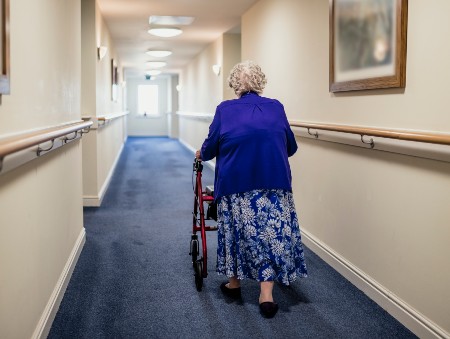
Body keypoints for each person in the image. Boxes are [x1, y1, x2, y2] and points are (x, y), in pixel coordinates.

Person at [195, 60, 307, 318]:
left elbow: (211, 148)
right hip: (274, 182)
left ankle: (234, 284)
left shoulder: (225, 109)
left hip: (236, 183)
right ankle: (266, 295)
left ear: (235, 84)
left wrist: (203, 153)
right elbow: (291, 147)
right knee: (270, 236)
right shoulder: (276, 107)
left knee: (236, 229)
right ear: (260, 82)